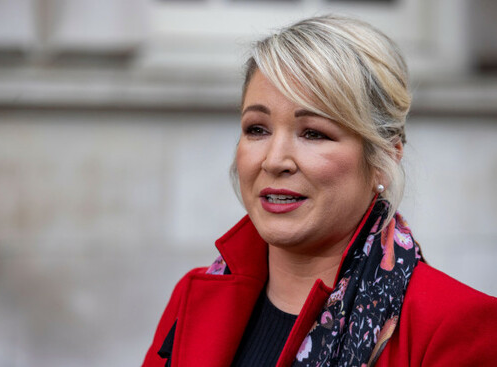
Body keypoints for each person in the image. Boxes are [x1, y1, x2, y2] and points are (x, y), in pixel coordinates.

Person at [142, 15, 497, 367]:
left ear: (384, 156)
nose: (274, 160)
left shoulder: (455, 324)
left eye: (313, 133)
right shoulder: (193, 296)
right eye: (257, 129)